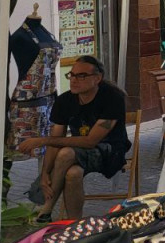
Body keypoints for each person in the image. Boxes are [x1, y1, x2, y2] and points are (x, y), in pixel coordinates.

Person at [16, 56, 130, 221]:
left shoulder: (112, 98)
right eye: (72, 75)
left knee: (66, 153)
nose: (74, 80)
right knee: (73, 173)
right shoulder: (64, 100)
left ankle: (45, 210)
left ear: (97, 78)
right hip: (79, 154)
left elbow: (91, 141)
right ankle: (73, 223)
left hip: (110, 151)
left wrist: (42, 140)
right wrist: (45, 173)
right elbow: (56, 139)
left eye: (81, 76)